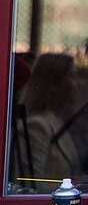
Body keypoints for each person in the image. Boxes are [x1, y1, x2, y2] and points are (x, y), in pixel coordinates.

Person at [22, 53, 82, 189]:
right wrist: (74, 189)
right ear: (54, 84)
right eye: (73, 77)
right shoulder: (37, 126)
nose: (79, 83)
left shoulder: (57, 122)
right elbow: (29, 184)